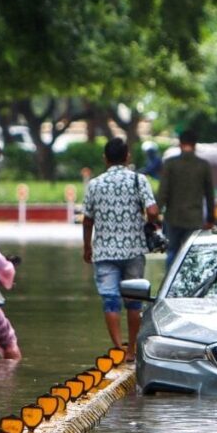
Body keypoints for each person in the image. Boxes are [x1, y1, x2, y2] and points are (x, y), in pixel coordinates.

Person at [82, 137, 159, 362]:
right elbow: (153, 211)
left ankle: (117, 347)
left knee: (110, 300)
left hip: (104, 252)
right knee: (134, 301)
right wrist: (150, 220)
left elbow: (87, 220)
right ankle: (131, 351)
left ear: (105, 158)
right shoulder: (139, 180)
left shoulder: (95, 184)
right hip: (134, 250)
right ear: (127, 157)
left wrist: (87, 247)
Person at [157, 130, 214, 268]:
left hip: (173, 217)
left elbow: (163, 191)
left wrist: (157, 212)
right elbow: (209, 194)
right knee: (192, 253)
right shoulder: (203, 165)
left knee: (172, 252)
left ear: (180, 144)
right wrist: (211, 218)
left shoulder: (170, 164)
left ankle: (170, 284)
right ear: (195, 145)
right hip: (194, 218)